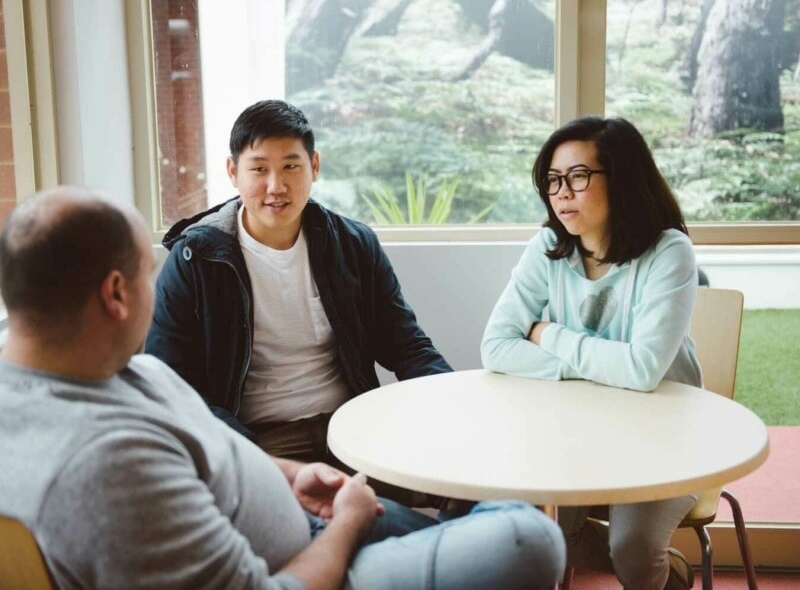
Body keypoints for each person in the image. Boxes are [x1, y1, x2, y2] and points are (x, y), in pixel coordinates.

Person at [0, 186, 566, 589]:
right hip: (308, 561)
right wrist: (344, 524)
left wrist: (292, 476)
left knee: (497, 500)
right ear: (116, 294)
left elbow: (203, 448)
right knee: (530, 538)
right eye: (148, 274)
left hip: (311, 509)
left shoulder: (109, 370)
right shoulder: (102, 465)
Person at [145, 100, 452, 489]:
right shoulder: (196, 259)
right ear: (232, 172)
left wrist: (452, 405)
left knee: (462, 482)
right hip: (261, 439)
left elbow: (406, 345)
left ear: (315, 166)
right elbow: (171, 384)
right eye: (259, 169)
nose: (277, 186)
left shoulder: (353, 245)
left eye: (291, 166)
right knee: (332, 521)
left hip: (353, 425)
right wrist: (249, 457)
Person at [481, 116, 703, 590]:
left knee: (633, 551)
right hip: (575, 432)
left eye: (578, 177)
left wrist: (548, 335)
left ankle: (652, 570)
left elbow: (643, 371)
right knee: (534, 533)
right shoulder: (548, 247)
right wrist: (603, 368)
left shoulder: (669, 253)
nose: (562, 193)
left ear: (621, 180)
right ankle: (660, 570)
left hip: (664, 435)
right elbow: (496, 347)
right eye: (554, 180)